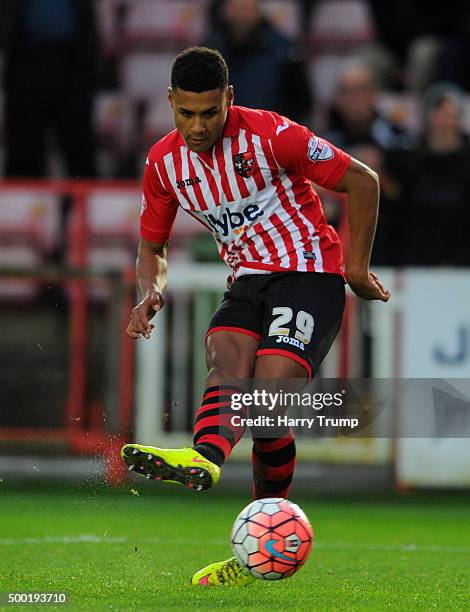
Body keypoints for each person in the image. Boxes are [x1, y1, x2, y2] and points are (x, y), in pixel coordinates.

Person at [121, 47, 390, 587]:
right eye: (186, 113)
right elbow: (153, 247)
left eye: (210, 113)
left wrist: (356, 269)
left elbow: (362, 180)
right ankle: (207, 464)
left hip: (309, 273)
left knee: (267, 403)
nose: (198, 126)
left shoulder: (272, 135)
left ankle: (252, 525)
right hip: (246, 282)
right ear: (170, 102)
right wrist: (150, 290)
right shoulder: (163, 163)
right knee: (225, 360)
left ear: (229, 100)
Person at [325, 58, 412, 265]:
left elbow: (410, 190)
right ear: (337, 98)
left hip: (392, 248)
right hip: (341, 252)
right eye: (346, 91)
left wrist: (383, 165)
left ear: (374, 94)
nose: (353, 98)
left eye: (360, 90)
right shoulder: (325, 141)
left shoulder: (397, 138)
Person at [386, 82, 470, 266]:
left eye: (450, 116)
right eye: (438, 115)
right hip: (417, 260)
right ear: (428, 117)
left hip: (462, 261)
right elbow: (402, 214)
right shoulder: (410, 160)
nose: (444, 122)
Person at [205, 0, 312, 123]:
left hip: (270, 134)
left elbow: (301, 102)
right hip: (223, 133)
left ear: (259, 10)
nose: (242, 14)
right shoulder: (209, 49)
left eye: (247, 7)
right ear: (224, 10)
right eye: (236, 7)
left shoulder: (284, 51)